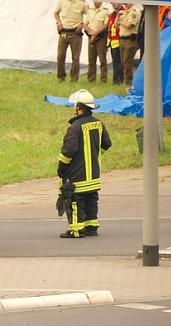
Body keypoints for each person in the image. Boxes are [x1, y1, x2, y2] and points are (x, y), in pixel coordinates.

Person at [57, 89, 112, 239]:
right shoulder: (98, 124)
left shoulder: (75, 127)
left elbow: (68, 151)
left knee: (75, 201)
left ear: (79, 107)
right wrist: (94, 155)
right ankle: (91, 227)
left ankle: (76, 230)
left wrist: (61, 169)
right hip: (94, 175)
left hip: (78, 176)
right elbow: (106, 144)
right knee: (91, 200)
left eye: (76, 106)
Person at [54, 0, 87, 82]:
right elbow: (56, 12)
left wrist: (82, 24)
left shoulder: (82, 3)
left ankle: (74, 78)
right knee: (60, 56)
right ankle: (61, 77)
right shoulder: (62, 2)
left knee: (75, 57)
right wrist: (58, 22)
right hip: (64, 32)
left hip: (76, 33)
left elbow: (88, 14)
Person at [118, 2, 142, 87]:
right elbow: (116, 24)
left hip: (130, 40)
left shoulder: (135, 11)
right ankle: (126, 80)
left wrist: (121, 20)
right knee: (123, 62)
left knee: (127, 61)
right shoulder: (125, 12)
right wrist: (119, 16)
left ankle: (128, 82)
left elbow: (129, 25)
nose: (125, 4)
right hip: (122, 39)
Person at [84, 1, 109, 83]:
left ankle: (103, 79)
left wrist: (95, 34)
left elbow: (105, 25)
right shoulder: (89, 11)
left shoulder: (105, 11)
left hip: (101, 38)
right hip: (91, 37)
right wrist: (91, 33)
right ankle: (91, 79)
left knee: (102, 60)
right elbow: (85, 24)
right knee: (91, 59)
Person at [107, 3, 124, 85]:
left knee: (120, 62)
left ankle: (119, 80)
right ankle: (115, 80)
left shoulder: (124, 12)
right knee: (115, 61)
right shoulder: (113, 14)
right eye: (112, 2)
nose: (113, 4)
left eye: (115, 2)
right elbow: (110, 28)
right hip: (113, 41)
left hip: (120, 40)